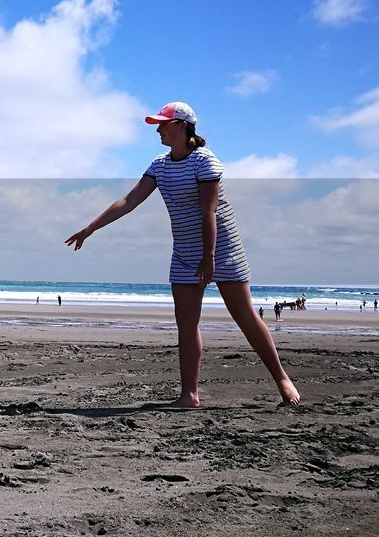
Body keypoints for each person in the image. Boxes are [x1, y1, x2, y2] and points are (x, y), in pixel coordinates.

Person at [65, 102, 299, 407]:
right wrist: (90, 228)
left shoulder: (205, 162)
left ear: (181, 126)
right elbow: (130, 200)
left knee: (244, 316)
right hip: (185, 252)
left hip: (222, 249)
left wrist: (210, 256)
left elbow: (209, 210)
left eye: (162, 124)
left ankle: (283, 379)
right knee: (186, 324)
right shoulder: (160, 165)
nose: (158, 129)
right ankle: (189, 395)